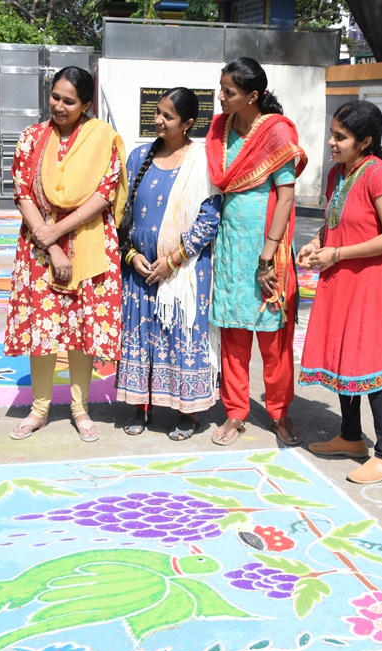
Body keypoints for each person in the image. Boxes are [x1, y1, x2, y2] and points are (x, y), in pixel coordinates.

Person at [4, 66, 128, 442]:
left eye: (69, 101)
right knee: (42, 326)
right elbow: (22, 192)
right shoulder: (32, 137)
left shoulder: (102, 138)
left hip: (88, 241)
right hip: (39, 245)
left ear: (86, 104)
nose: (58, 106)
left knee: (82, 326)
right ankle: (39, 409)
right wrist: (52, 244)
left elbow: (105, 193)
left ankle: (80, 408)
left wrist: (58, 230)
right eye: (55, 97)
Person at [297, 100, 382, 484]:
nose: (331, 142)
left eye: (340, 137)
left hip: (373, 281)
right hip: (342, 276)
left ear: (365, 141)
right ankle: (350, 436)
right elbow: (336, 223)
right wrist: (316, 243)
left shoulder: (379, 175)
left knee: (370, 360)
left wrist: (337, 253)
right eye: (332, 134)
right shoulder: (338, 173)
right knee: (344, 354)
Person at [205, 57, 307, 447]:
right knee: (233, 334)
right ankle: (235, 412)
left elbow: (286, 197)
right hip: (231, 244)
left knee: (273, 338)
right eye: (221, 88)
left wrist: (267, 255)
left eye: (229, 92)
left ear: (252, 96)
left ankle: (280, 413)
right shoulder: (220, 128)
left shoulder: (276, 131)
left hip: (267, 247)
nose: (221, 97)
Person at [116, 88, 222, 440]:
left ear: (187, 123)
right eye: (157, 112)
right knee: (140, 334)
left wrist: (173, 260)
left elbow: (209, 219)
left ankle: (187, 412)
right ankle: (139, 406)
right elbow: (121, 216)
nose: (158, 120)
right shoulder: (138, 157)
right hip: (140, 269)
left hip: (184, 269)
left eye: (168, 116)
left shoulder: (201, 161)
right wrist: (131, 255)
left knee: (182, 334)